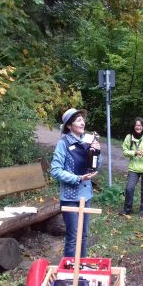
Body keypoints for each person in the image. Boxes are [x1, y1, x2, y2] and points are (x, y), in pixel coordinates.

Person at [51, 108, 101, 257]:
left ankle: (82, 268)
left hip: (86, 195)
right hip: (70, 197)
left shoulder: (88, 140)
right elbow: (55, 170)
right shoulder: (63, 143)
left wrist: (97, 152)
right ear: (69, 125)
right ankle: (69, 272)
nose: (82, 122)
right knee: (73, 237)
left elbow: (96, 166)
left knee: (83, 236)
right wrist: (78, 178)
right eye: (78, 120)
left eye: (82, 120)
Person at [119, 117, 143, 218]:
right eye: (136, 125)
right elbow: (124, 151)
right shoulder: (128, 137)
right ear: (134, 126)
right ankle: (127, 209)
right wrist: (134, 152)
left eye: (140, 125)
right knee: (129, 188)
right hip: (133, 168)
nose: (138, 127)